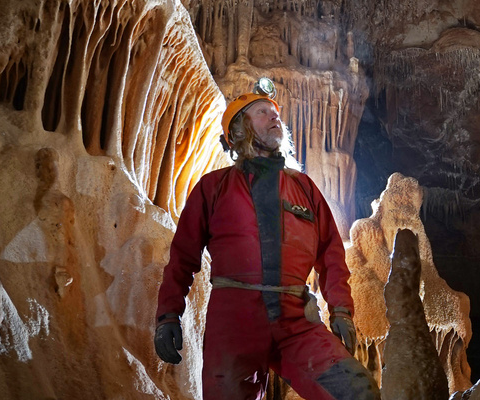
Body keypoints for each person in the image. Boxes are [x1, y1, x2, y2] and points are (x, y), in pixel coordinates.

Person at [154, 82, 379, 400]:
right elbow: (183, 257)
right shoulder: (213, 188)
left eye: (275, 114)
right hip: (234, 321)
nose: (274, 118)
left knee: (357, 391)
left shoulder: (304, 187)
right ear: (239, 129)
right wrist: (168, 315)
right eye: (262, 113)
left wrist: (341, 310)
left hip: (294, 318)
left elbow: (330, 253)